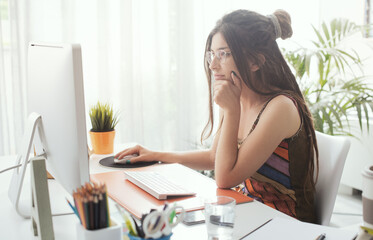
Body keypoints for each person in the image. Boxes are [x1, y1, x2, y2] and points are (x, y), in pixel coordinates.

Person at [115, 9, 319, 223]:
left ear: (256, 62)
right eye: (212, 54)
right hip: (248, 213)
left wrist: (231, 111)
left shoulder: (280, 107)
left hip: (285, 224)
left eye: (224, 54)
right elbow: (216, 158)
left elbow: (225, 178)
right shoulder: (237, 96)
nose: (213, 65)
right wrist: (157, 155)